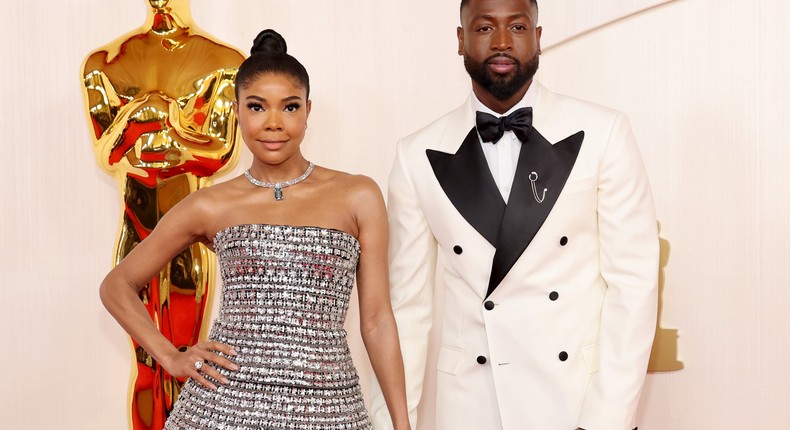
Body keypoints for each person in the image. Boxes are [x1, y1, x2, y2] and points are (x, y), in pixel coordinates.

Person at [100, 29, 411, 430]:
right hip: (221, 411)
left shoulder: (358, 195)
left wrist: (403, 424)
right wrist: (172, 356)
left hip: (329, 410)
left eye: (290, 107)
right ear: (237, 110)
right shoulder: (211, 203)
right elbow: (116, 285)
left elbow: (377, 321)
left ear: (308, 111)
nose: (274, 123)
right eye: (258, 107)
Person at [369, 0, 658, 429]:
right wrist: (392, 422)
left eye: (518, 27)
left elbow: (633, 283)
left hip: (577, 401)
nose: (502, 42)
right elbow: (406, 310)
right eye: (485, 28)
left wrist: (606, 418)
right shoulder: (416, 156)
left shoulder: (604, 132)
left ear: (538, 39)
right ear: (461, 39)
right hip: (472, 404)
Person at [83, 1, 245, 426]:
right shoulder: (103, 63)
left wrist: (172, 126)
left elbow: (221, 151)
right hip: (135, 224)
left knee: (189, 352)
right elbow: (108, 154)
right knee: (147, 359)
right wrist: (140, 112)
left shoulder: (225, 62)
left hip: (191, 232)